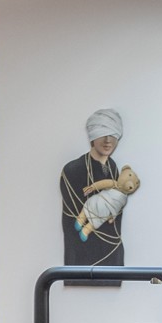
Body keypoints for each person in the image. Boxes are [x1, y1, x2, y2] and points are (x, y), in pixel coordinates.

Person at [60, 109, 127, 279]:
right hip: (82, 257)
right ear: (92, 137)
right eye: (102, 134)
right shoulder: (73, 170)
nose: (107, 141)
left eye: (112, 135)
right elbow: (73, 217)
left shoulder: (114, 169)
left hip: (113, 256)